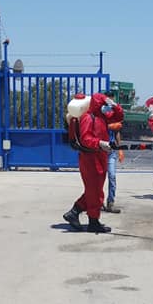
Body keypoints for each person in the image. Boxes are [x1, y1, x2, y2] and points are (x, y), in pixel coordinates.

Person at [63, 93, 124, 233]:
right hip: (90, 158)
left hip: (99, 156)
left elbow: (119, 117)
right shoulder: (87, 117)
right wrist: (101, 143)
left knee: (95, 191)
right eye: (104, 105)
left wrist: (115, 106)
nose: (106, 108)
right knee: (94, 192)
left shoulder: (100, 116)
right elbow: (85, 139)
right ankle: (92, 222)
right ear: (97, 104)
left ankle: (75, 213)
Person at [104, 115, 124, 214]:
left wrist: (120, 149)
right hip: (99, 151)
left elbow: (117, 133)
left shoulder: (113, 116)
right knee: (98, 179)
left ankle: (110, 202)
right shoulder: (98, 116)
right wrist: (108, 126)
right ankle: (96, 202)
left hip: (111, 152)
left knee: (112, 176)